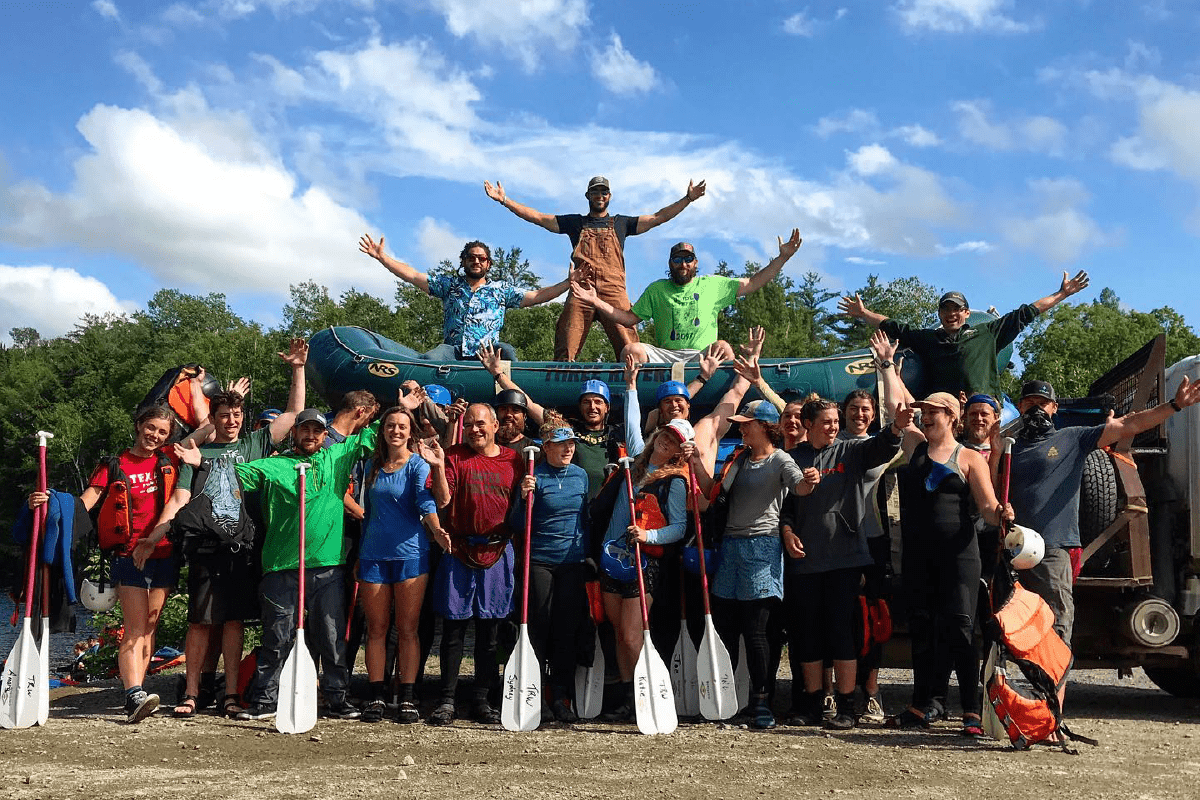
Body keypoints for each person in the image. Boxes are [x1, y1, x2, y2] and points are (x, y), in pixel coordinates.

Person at [1004, 376, 1200, 715]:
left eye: (1042, 403)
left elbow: (1129, 424)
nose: (1036, 409)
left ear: (1054, 408)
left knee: (1056, 626)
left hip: (1052, 552)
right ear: (1020, 407)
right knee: (1013, 629)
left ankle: (1052, 708)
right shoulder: (1007, 447)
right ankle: (1018, 703)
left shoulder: (1072, 439)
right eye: (1029, 403)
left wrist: (1174, 406)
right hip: (1009, 552)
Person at [134, 341, 309, 720]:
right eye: (224, 415)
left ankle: (231, 694)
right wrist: (154, 536)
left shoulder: (256, 443)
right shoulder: (195, 457)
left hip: (243, 548)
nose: (231, 421)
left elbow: (295, 412)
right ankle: (193, 692)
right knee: (199, 622)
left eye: (236, 414)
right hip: (204, 548)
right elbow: (179, 500)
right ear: (212, 418)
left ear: (243, 417)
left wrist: (298, 368)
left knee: (233, 623)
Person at [230, 399, 403, 723]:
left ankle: (337, 699)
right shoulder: (275, 465)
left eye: (317, 430)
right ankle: (265, 701)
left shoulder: (337, 457)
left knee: (332, 635)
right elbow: (236, 474)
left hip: (327, 567)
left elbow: (377, 435)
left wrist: (400, 405)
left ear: (324, 435)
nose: (311, 435)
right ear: (295, 433)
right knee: (277, 638)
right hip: (282, 567)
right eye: (305, 429)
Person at [29, 405, 188, 723]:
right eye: (150, 427)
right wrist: (50, 504)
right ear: (139, 424)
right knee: (135, 627)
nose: (154, 435)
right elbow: (83, 503)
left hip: (163, 552)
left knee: (149, 629)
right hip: (128, 555)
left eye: (162, 432)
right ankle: (133, 695)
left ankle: (139, 688)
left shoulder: (169, 458)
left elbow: (208, 432)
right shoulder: (113, 465)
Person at [780, 395, 912, 729]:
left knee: (842, 632)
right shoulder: (792, 459)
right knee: (808, 634)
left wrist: (896, 427)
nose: (834, 427)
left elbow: (880, 449)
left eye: (836, 422)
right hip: (805, 560)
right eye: (827, 422)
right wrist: (786, 531)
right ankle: (810, 705)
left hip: (845, 558)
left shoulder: (849, 452)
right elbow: (783, 508)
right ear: (808, 425)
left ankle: (846, 706)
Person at [484, 175, 707, 361]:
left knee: (629, 342)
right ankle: (561, 383)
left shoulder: (622, 224)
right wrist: (505, 200)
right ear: (588, 196)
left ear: (609, 196)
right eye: (595, 192)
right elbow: (540, 218)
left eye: (604, 193)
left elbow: (658, 217)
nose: (599, 196)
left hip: (613, 290)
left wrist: (687, 199)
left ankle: (636, 382)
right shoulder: (575, 223)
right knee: (567, 337)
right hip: (582, 288)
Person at [892, 391, 1013, 735]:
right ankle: (923, 703)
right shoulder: (914, 444)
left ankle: (971, 711)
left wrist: (1003, 513)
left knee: (960, 629)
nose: (926, 416)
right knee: (921, 628)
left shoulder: (970, 457)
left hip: (959, 555)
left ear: (951, 417)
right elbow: (894, 399)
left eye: (934, 412)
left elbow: (988, 510)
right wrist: (887, 364)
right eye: (924, 411)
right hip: (918, 555)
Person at [706, 400, 818, 729]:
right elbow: (713, 495)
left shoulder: (780, 458)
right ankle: (730, 699)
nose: (741, 428)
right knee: (728, 629)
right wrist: (695, 464)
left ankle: (761, 701)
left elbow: (799, 486)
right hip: (730, 549)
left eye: (747, 423)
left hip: (762, 548)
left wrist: (810, 481)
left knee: (756, 632)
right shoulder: (738, 459)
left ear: (765, 427)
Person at [421, 404, 524, 726]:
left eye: (481, 424)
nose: (475, 430)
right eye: (469, 426)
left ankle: (482, 699)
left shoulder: (514, 460)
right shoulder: (452, 456)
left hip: (497, 551)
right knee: (453, 630)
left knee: (489, 632)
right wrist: (438, 466)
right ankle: (447, 700)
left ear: (495, 425)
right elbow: (442, 500)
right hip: (459, 549)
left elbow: (523, 506)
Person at [836, 270, 1091, 398]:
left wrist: (1062, 294)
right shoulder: (929, 339)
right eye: (946, 309)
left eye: (957, 309)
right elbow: (893, 326)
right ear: (939, 314)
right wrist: (863, 312)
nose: (951, 314)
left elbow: (1028, 312)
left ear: (967, 313)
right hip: (944, 414)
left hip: (981, 410)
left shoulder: (988, 333)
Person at [571, 232, 802, 365]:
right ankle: (640, 404)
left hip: (700, 356)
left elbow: (753, 283)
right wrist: (595, 300)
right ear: (670, 264)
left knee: (723, 347)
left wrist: (782, 258)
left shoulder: (713, 284)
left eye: (688, 259)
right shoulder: (657, 289)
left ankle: (724, 406)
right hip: (666, 356)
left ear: (696, 263)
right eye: (678, 260)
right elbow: (628, 319)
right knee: (631, 351)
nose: (683, 264)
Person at [356, 406, 448, 724]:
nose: (396, 430)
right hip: (373, 556)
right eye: (391, 425)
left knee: (408, 630)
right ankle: (377, 696)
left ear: (411, 432)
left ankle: (407, 697)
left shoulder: (418, 465)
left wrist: (436, 530)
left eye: (402, 426)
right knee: (377, 630)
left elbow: (427, 503)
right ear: (383, 431)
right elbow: (367, 514)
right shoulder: (372, 466)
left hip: (411, 555)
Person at [598, 421, 693, 722]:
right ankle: (629, 698)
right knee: (617, 633)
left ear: (680, 450)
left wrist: (647, 536)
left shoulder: (675, 481)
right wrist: (630, 385)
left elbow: (679, 528)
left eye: (674, 441)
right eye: (665, 435)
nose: (667, 442)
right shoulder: (635, 465)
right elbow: (630, 427)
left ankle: (649, 695)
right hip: (612, 558)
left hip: (645, 562)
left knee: (630, 635)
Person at [359, 236, 571, 361]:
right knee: (431, 358)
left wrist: (567, 283)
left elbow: (536, 296)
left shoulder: (500, 290)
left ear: (488, 264)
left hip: (487, 352)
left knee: (507, 351)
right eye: (471, 257)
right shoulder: (449, 285)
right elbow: (413, 275)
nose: (476, 261)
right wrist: (382, 258)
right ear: (464, 261)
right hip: (453, 350)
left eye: (482, 258)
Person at [512, 416, 592, 722]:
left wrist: (588, 555)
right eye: (561, 444)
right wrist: (523, 497)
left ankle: (561, 696)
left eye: (571, 443)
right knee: (539, 625)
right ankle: (537, 695)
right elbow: (518, 524)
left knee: (566, 629)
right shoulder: (535, 475)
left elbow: (585, 518)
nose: (568, 449)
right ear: (546, 447)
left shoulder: (581, 476)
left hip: (571, 561)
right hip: (540, 561)